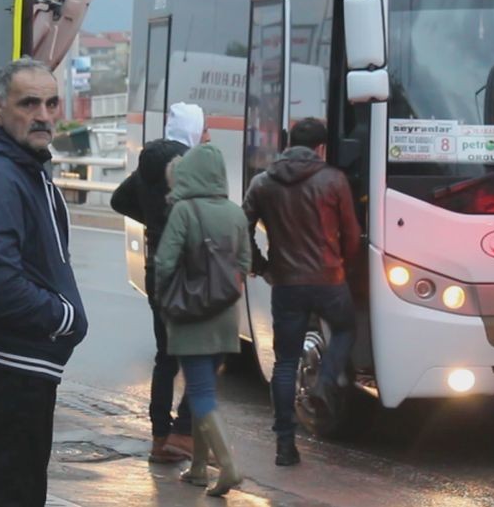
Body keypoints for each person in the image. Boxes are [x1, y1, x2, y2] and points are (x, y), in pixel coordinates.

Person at [0, 57, 88, 507]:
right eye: (28, 103)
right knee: (9, 494)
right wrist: (65, 317)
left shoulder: (19, 167)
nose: (43, 115)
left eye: (50, 103)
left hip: (16, 362)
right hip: (6, 364)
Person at [242, 117, 360, 466]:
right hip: (329, 280)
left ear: (289, 142)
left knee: (285, 363)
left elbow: (241, 228)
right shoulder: (334, 180)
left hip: (286, 284)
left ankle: (284, 444)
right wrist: (343, 267)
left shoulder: (263, 182)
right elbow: (351, 235)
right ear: (321, 148)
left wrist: (261, 266)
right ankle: (325, 383)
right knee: (344, 329)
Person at [109, 101, 204, 462]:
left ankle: (159, 439)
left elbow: (119, 200)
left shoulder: (147, 165)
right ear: (194, 131)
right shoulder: (190, 167)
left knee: (166, 358)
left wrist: (152, 220)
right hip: (188, 272)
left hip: (157, 271)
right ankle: (183, 433)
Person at [154, 143, 251, 497]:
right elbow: (245, 265)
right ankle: (197, 468)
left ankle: (228, 466)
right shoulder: (235, 212)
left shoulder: (183, 210)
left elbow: (165, 263)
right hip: (225, 318)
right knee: (202, 392)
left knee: (201, 393)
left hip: (190, 316)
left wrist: (167, 299)